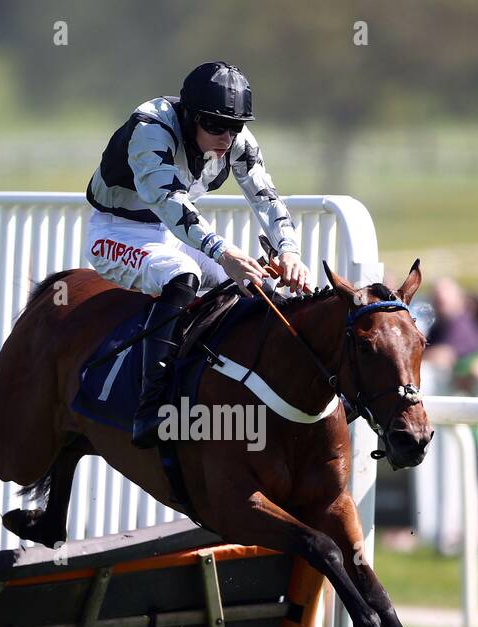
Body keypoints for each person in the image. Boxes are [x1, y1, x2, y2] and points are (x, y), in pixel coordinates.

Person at [85, 61, 311, 447]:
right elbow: (169, 202)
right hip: (115, 231)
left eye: (235, 126)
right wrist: (223, 252)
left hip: (169, 234)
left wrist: (290, 250)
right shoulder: (150, 130)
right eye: (215, 125)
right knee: (182, 275)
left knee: (250, 284)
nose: (227, 137)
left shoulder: (236, 139)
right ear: (189, 116)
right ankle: (150, 403)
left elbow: (266, 198)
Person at [423, 277, 478, 373]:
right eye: (437, 299)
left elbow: (445, 356)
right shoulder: (438, 326)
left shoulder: (462, 324)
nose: (440, 297)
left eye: (443, 301)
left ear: (460, 298)